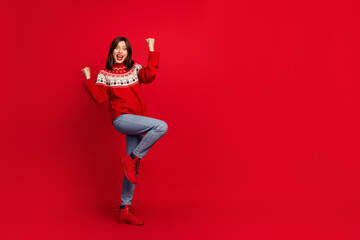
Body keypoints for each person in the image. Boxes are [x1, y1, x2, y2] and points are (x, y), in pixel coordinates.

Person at [81, 36, 168, 226]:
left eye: (125, 49)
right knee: (161, 126)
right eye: (117, 48)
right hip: (121, 119)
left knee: (131, 171)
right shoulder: (105, 74)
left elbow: (150, 75)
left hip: (136, 121)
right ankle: (132, 158)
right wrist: (88, 79)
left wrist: (152, 49)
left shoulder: (134, 69)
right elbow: (100, 98)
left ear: (128, 53)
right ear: (112, 51)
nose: (121, 52)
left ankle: (124, 209)